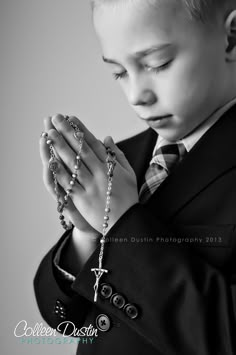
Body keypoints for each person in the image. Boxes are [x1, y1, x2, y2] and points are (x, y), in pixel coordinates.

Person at [34, 0, 236, 354]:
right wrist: (87, 235)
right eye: (119, 72)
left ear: (232, 37)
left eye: (158, 64)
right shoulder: (122, 160)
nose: (135, 96)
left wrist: (123, 224)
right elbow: (61, 316)